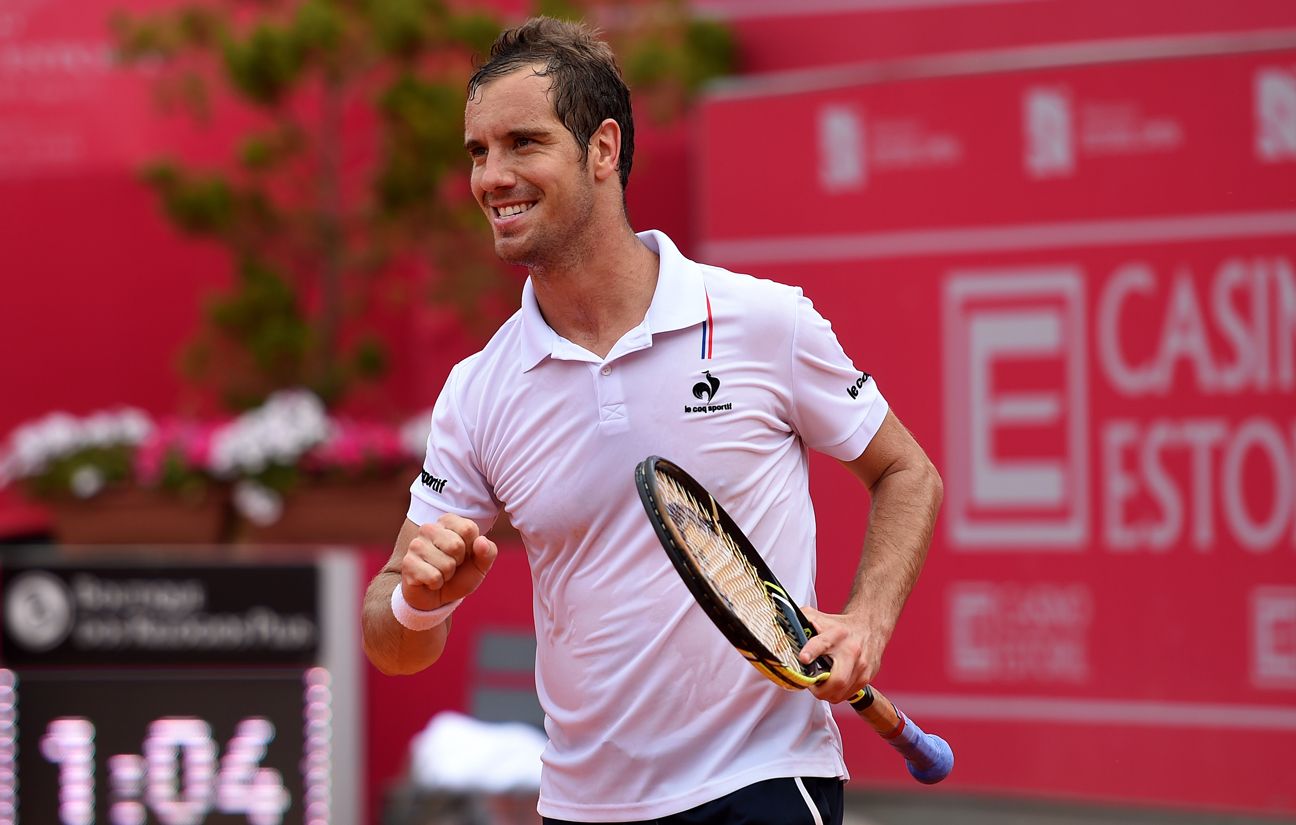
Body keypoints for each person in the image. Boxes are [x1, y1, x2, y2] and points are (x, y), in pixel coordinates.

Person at [361, 16, 943, 825]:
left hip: (764, 779)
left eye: (523, 143)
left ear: (602, 150)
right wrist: (421, 600)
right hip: (586, 805)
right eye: (477, 152)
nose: (492, 175)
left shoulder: (762, 320)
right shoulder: (476, 390)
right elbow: (389, 642)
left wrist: (866, 622)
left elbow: (908, 471)